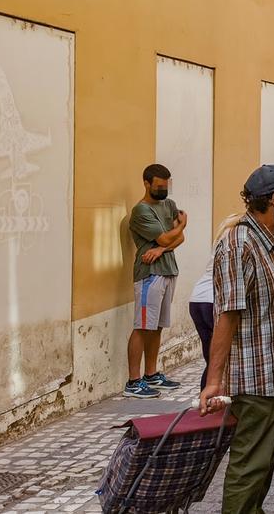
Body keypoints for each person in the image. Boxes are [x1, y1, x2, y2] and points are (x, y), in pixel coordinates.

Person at [199, 164, 274, 514]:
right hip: (254, 378)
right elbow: (228, 314)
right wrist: (214, 380)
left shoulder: (271, 242)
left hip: (273, 374)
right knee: (250, 463)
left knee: (265, 455)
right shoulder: (240, 244)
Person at [125, 163, 187, 399]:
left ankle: (151, 374)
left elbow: (178, 239)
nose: (164, 191)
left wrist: (161, 250)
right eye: (160, 187)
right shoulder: (141, 211)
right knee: (142, 326)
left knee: (157, 326)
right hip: (149, 274)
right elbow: (167, 235)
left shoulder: (168, 205)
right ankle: (133, 382)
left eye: (166, 186)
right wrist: (181, 225)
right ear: (147, 183)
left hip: (167, 269)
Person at [187, 214, 244, 391]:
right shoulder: (237, 237)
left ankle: (205, 399)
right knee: (220, 360)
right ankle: (217, 401)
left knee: (211, 359)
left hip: (197, 299)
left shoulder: (222, 236)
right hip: (214, 300)